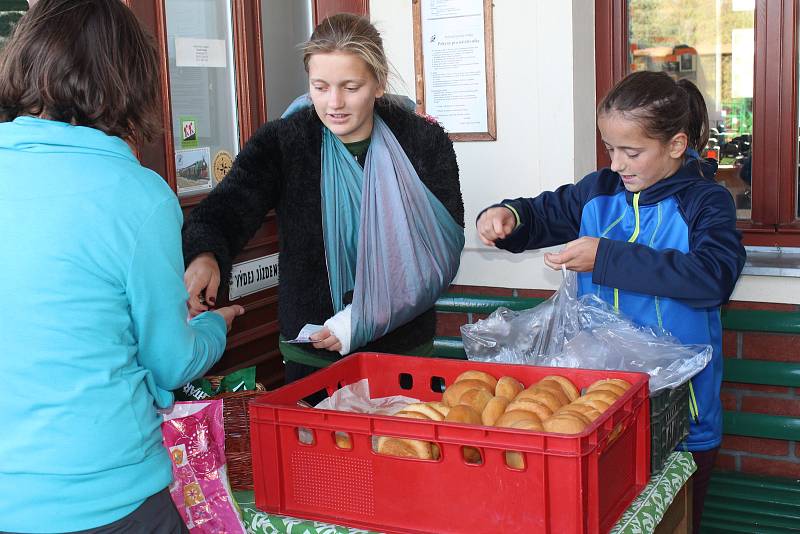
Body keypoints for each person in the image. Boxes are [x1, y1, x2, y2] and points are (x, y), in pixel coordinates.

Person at [0, 1, 244, 532]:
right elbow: (169, 362)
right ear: (130, 81)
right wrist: (211, 329)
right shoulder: (136, 193)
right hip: (108, 496)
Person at [476, 71, 745, 532]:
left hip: (680, 417)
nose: (617, 163)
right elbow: (542, 213)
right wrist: (506, 217)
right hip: (597, 407)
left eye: (632, 152)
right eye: (610, 149)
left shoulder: (706, 201)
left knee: (673, 521)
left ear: (677, 145)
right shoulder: (599, 192)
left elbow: (713, 277)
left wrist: (606, 257)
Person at [182, 14, 464, 384]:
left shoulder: (424, 143)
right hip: (311, 358)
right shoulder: (285, 142)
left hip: (403, 359)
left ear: (378, 84)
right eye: (320, 87)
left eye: (351, 87)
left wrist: (359, 319)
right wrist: (205, 255)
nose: (334, 103)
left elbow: (439, 255)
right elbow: (227, 207)